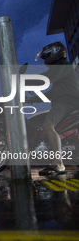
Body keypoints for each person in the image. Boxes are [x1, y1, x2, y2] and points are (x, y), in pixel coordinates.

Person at [26, 42, 79, 176]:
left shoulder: (62, 65)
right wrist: (30, 100)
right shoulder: (62, 72)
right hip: (63, 102)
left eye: (46, 58)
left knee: (47, 124)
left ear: (54, 53)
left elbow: (45, 78)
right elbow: (50, 94)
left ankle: (58, 163)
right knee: (45, 126)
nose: (45, 62)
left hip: (67, 102)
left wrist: (26, 82)